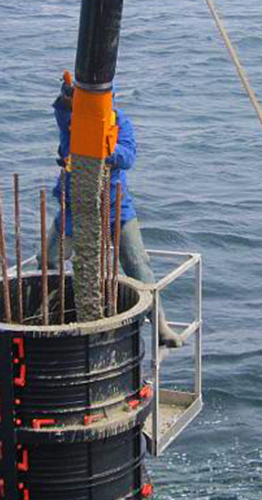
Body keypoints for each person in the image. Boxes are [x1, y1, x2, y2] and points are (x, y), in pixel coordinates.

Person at [41, 73, 184, 347]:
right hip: (76, 204)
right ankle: (55, 315)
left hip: (115, 204)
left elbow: (128, 157)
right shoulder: (71, 121)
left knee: (137, 263)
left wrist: (105, 147)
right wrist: (68, 96)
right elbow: (61, 110)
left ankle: (161, 326)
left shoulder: (120, 123)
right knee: (48, 260)